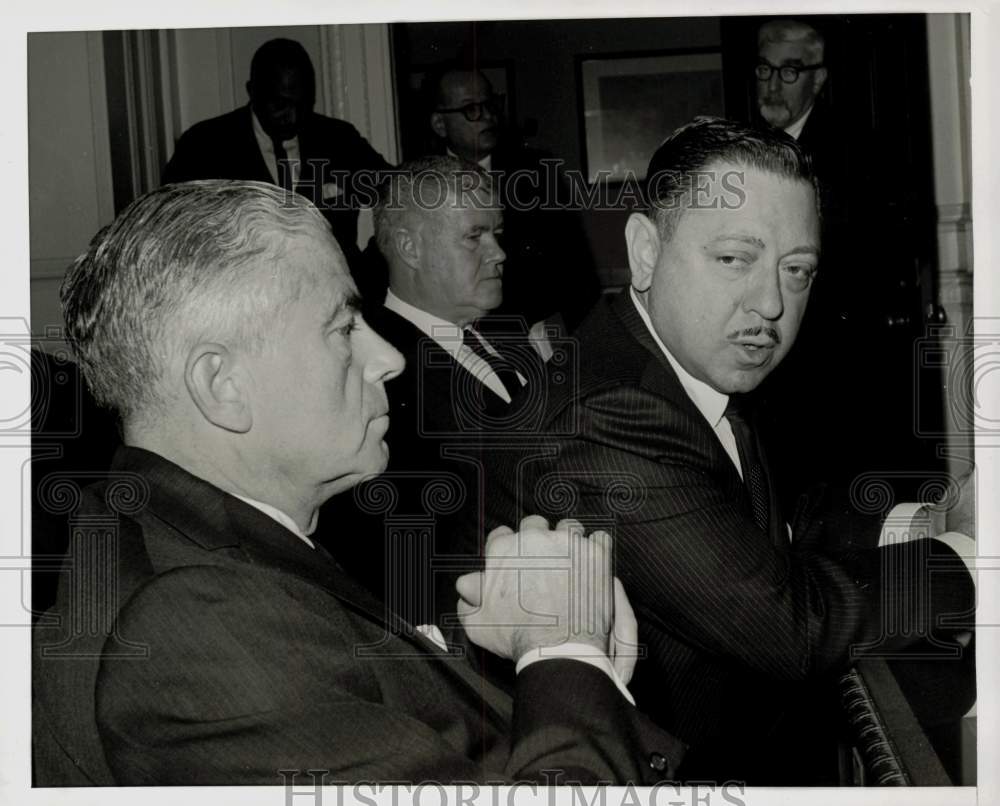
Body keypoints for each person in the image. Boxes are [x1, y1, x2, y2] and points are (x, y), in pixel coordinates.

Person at [31, 180, 684, 786]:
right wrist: (562, 644)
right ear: (221, 386)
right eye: (344, 327)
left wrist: (491, 640)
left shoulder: (189, 544)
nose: (390, 357)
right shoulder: (193, 624)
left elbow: (341, 692)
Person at [481, 117, 976, 783]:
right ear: (646, 251)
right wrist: (973, 551)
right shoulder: (602, 415)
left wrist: (924, 523)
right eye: (734, 259)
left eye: (796, 270)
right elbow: (790, 627)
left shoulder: (674, 362)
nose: (770, 302)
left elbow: (772, 520)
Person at [324, 156, 545, 625]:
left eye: (496, 232)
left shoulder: (508, 332)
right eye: (474, 236)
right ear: (410, 247)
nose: (499, 252)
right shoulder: (375, 374)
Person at [162, 38, 390, 272]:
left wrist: (370, 269)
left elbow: (398, 193)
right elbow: (171, 226)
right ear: (252, 91)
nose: (292, 117)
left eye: (303, 105)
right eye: (280, 104)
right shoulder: (203, 145)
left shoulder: (339, 138)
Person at [426, 64, 600, 335]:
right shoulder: (419, 184)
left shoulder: (537, 174)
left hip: (530, 337)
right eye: (471, 109)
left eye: (490, 104)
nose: (487, 117)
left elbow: (576, 270)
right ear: (440, 124)